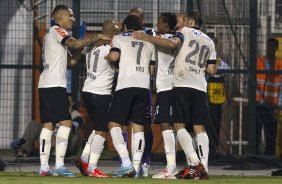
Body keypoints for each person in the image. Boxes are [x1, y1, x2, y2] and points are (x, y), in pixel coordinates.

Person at [132, 11, 217, 179]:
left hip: (180, 84)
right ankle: (204, 168)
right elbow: (212, 70)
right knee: (200, 128)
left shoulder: (183, 32)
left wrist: (146, 37)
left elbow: (171, 45)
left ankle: (192, 163)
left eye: (183, 20)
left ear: (191, 21)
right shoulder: (209, 40)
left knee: (177, 125)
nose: (181, 23)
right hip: (200, 85)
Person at [38, 5, 109, 177]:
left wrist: (83, 52)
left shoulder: (50, 35)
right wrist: (96, 36)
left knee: (48, 125)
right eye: (70, 16)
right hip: (54, 85)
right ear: (59, 17)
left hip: (46, 83)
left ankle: (44, 167)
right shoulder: (58, 31)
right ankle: (60, 166)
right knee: (66, 123)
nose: (73, 19)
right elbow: (75, 43)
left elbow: (69, 62)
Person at [106, 15, 156, 178]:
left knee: (114, 123)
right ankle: (136, 168)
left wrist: (108, 58)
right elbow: (152, 71)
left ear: (125, 27)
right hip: (143, 87)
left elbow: (113, 57)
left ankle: (126, 164)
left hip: (125, 85)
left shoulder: (119, 38)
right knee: (139, 126)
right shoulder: (150, 41)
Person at [75, 20, 118, 178]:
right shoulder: (111, 47)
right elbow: (114, 59)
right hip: (101, 93)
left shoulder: (91, 46)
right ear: (113, 31)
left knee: (97, 126)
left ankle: (84, 158)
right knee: (102, 130)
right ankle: (92, 168)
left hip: (87, 90)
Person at [150, 12, 178, 179]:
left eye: (159, 23)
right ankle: (195, 164)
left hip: (166, 88)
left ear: (166, 25)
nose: (156, 25)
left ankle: (171, 167)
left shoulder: (161, 40)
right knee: (180, 125)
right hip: (178, 86)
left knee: (165, 125)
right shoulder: (178, 39)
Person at [11, 94, 84, 158]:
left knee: (68, 127)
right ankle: (24, 150)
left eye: (69, 102)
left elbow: (74, 127)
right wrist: (49, 137)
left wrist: (56, 138)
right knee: (34, 124)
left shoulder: (76, 115)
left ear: (73, 103)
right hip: (50, 140)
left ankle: (55, 152)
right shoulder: (55, 113)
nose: (66, 104)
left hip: (66, 146)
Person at [256, 38, 282, 155]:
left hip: (271, 105)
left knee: (270, 134)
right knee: (255, 132)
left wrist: (279, 105)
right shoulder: (259, 61)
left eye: (272, 47)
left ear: (276, 48)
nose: (269, 49)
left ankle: (269, 157)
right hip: (258, 103)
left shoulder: (279, 64)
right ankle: (255, 154)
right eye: (267, 46)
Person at [206, 33, 230, 158]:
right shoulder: (203, 60)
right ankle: (204, 148)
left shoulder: (221, 62)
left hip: (217, 99)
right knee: (204, 123)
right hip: (204, 98)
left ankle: (213, 148)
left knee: (216, 123)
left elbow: (227, 72)